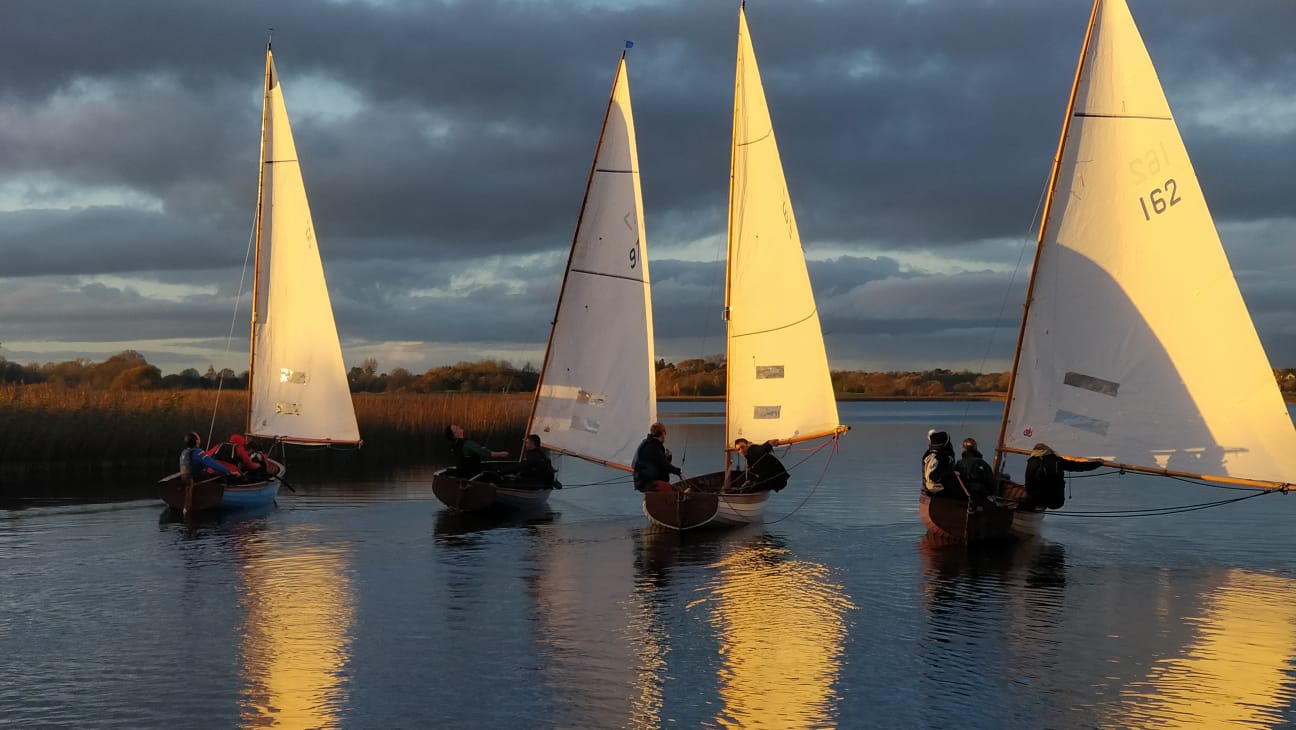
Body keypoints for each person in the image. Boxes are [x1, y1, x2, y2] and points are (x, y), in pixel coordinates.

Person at [1023, 442, 1102, 509]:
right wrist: (1098, 463)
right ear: (1048, 451)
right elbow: (1078, 466)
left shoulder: (1031, 462)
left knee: (1031, 496)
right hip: (1056, 502)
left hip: (1036, 500)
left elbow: (1028, 483)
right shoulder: (1057, 460)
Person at [632, 422, 682, 492]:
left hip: (645, 481)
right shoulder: (653, 447)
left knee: (674, 489)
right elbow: (664, 465)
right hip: (646, 483)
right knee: (672, 490)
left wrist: (667, 458)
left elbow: (659, 465)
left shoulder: (650, 444)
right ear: (662, 434)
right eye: (665, 434)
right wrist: (678, 472)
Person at [921, 429, 959, 496]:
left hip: (928, 487)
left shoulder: (928, 453)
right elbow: (933, 477)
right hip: (938, 488)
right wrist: (952, 473)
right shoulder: (939, 457)